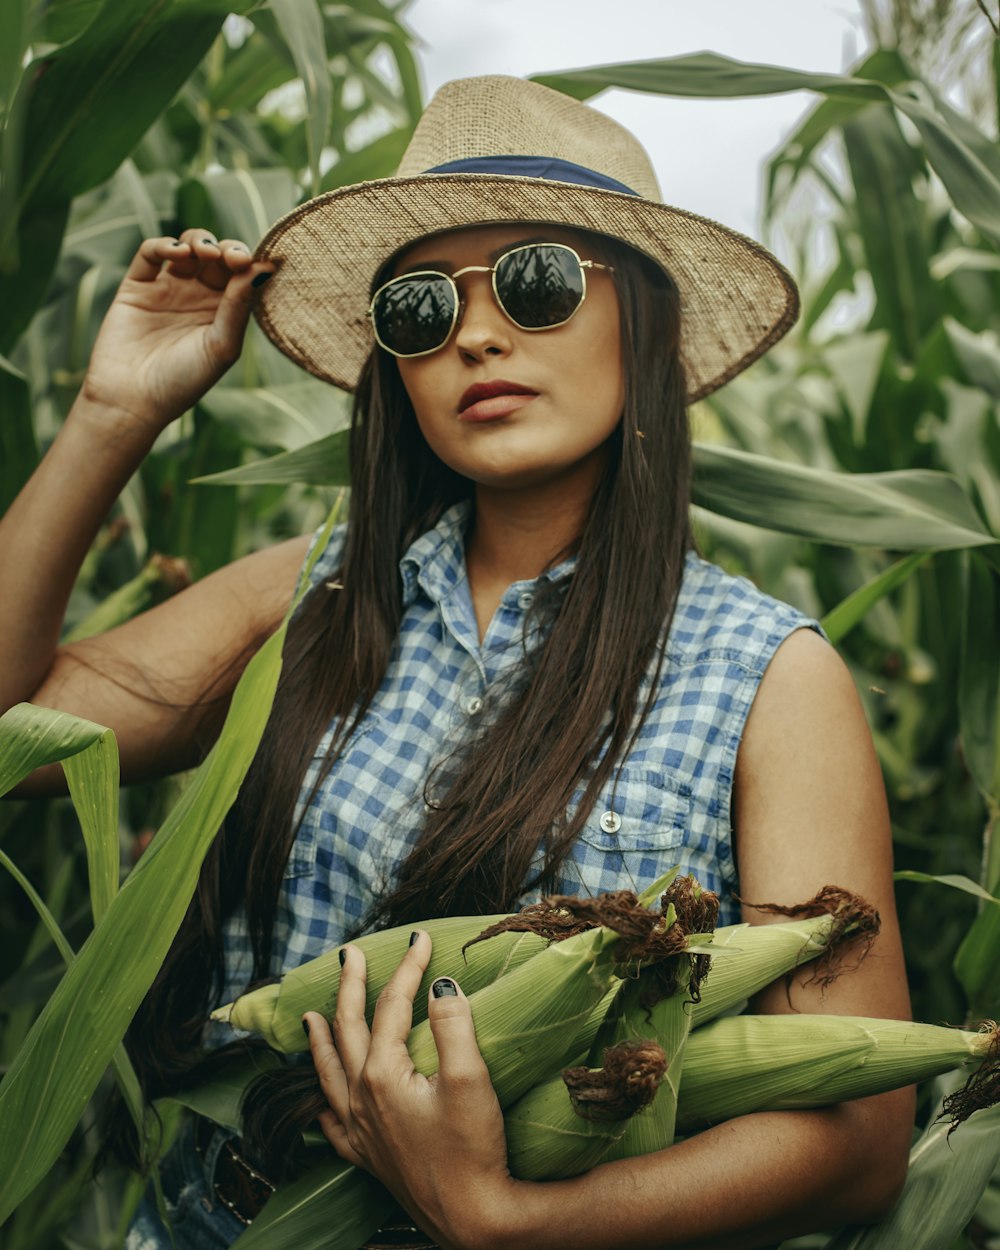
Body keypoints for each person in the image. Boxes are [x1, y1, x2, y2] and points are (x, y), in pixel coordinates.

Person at [1, 75, 913, 1250]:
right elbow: (19, 735)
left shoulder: (764, 677)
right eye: (422, 309)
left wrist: (511, 1221)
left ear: (645, 325)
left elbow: (857, 1132)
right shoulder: (314, 596)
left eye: (535, 284)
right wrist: (112, 411)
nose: (476, 332)